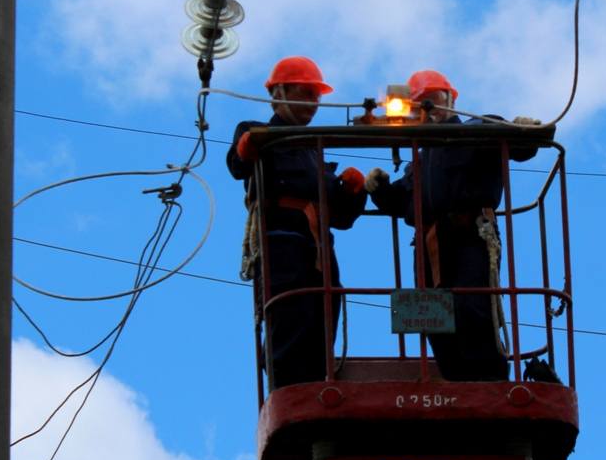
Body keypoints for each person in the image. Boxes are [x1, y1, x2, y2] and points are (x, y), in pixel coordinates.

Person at [365, 70, 540, 381]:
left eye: (432, 100)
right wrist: (380, 190)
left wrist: (522, 132)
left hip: (471, 236)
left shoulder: (478, 128)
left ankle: (489, 380)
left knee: (472, 308)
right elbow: (405, 203)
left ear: (451, 99)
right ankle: (454, 378)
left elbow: (515, 147)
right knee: (431, 315)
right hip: (431, 244)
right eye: (420, 105)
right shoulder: (419, 161)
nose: (428, 109)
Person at [228, 56, 367, 388]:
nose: (313, 102)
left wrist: (353, 191)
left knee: (322, 315)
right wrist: (247, 148)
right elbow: (237, 165)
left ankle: (317, 382)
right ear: (278, 93)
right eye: (305, 93)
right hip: (282, 245)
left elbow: (343, 218)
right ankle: (288, 387)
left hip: (318, 252)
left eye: (316, 96)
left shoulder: (313, 153)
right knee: (290, 316)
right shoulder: (259, 133)